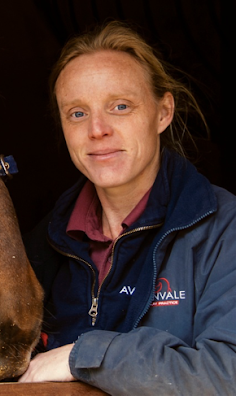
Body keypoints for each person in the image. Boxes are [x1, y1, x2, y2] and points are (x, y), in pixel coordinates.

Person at [18, 21, 236, 394]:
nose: (97, 129)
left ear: (163, 112)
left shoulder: (221, 228)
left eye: (120, 106)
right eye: (77, 113)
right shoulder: (44, 245)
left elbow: (226, 374)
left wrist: (84, 356)